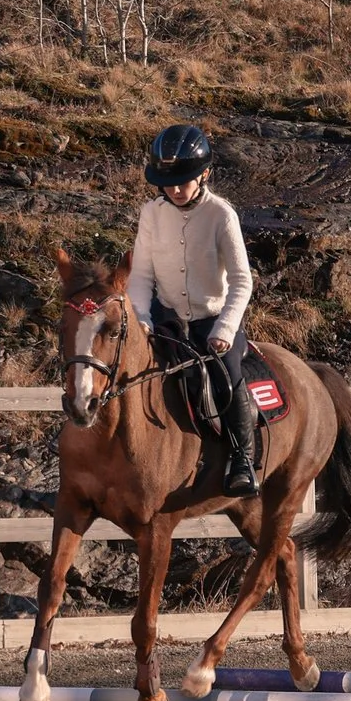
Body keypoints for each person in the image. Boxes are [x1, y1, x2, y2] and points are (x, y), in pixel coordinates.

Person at [127, 123, 259, 495]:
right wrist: (140, 315)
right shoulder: (151, 213)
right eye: (168, 183)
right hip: (166, 319)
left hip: (213, 322)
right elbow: (140, 275)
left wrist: (225, 329)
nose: (174, 189)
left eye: (182, 181)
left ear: (204, 174)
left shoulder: (221, 215)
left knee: (227, 378)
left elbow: (242, 280)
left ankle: (242, 459)